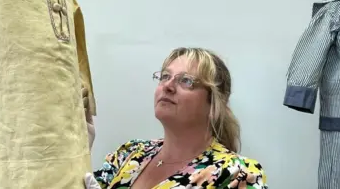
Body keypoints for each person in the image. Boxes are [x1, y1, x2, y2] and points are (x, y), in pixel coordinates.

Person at [84, 47, 268, 189]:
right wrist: (77, 150)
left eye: (186, 81)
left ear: (214, 103)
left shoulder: (236, 173)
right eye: (165, 76)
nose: (168, 86)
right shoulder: (130, 153)